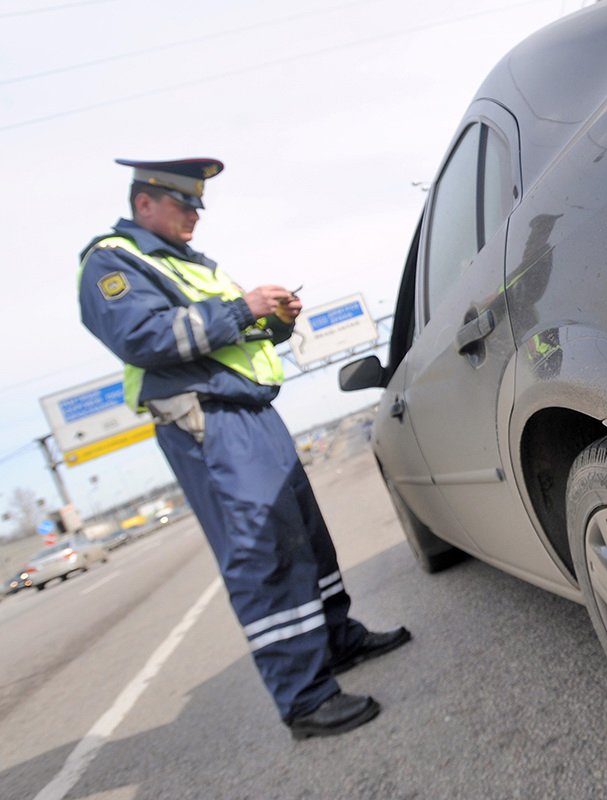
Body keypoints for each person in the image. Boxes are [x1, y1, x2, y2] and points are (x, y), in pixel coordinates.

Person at [77, 157, 410, 740]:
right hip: (208, 421)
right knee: (263, 554)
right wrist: (242, 307)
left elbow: (238, 334)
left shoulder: (187, 265)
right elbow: (143, 337)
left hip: (251, 412)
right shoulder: (113, 262)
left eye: (199, 206)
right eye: (185, 205)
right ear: (144, 203)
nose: (195, 217)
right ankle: (304, 698)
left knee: (305, 537)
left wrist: (276, 322)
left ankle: (337, 640)